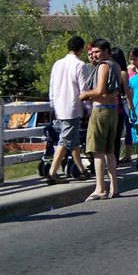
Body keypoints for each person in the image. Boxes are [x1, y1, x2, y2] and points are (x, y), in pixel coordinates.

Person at [80, 39, 122, 200]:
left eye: (97, 52)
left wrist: (85, 95)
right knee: (109, 151)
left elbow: (100, 91)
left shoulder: (104, 66)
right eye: (93, 52)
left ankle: (100, 188)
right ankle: (114, 187)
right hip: (112, 111)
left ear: (106, 51)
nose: (94, 55)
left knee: (97, 151)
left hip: (100, 110)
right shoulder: (116, 66)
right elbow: (116, 91)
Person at [45, 35, 91, 184]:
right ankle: (52, 173)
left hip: (59, 106)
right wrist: (88, 108)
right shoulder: (80, 65)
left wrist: (53, 103)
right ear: (81, 49)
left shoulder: (57, 64)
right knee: (65, 140)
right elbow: (83, 89)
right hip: (72, 107)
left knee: (73, 140)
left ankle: (82, 170)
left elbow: (52, 87)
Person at [110, 47, 134, 165]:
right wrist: (132, 109)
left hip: (111, 104)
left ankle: (112, 160)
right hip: (121, 103)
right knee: (125, 130)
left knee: (114, 134)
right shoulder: (123, 73)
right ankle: (123, 156)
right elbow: (127, 93)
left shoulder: (107, 69)